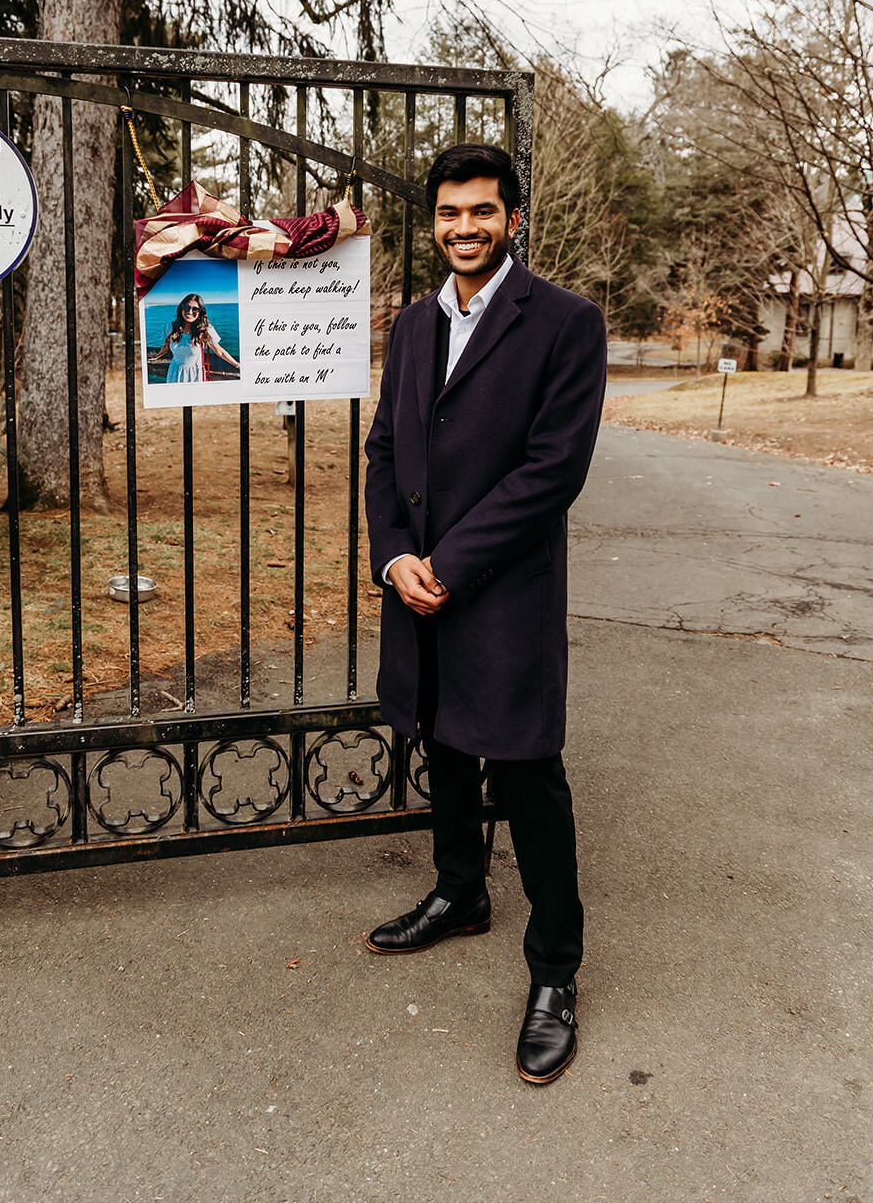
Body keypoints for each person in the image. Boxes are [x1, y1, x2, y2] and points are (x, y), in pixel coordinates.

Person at [363, 142, 606, 1085]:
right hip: (415, 582)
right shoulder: (411, 325)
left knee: (526, 772)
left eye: (482, 212)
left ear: (513, 219)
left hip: (498, 588)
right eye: (448, 214)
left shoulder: (563, 323)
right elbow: (385, 449)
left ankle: (555, 971)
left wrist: (451, 564)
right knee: (443, 743)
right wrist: (393, 556)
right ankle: (460, 894)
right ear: (434, 223)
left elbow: (553, 470)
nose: (464, 228)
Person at [151, 293, 239, 381]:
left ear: (200, 311)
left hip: (194, 374)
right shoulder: (170, 327)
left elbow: (219, 351)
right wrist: (157, 356)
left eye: (195, 309)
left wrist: (237, 365)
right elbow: (167, 345)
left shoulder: (206, 329)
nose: (189, 312)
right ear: (181, 308)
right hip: (175, 371)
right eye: (187, 307)